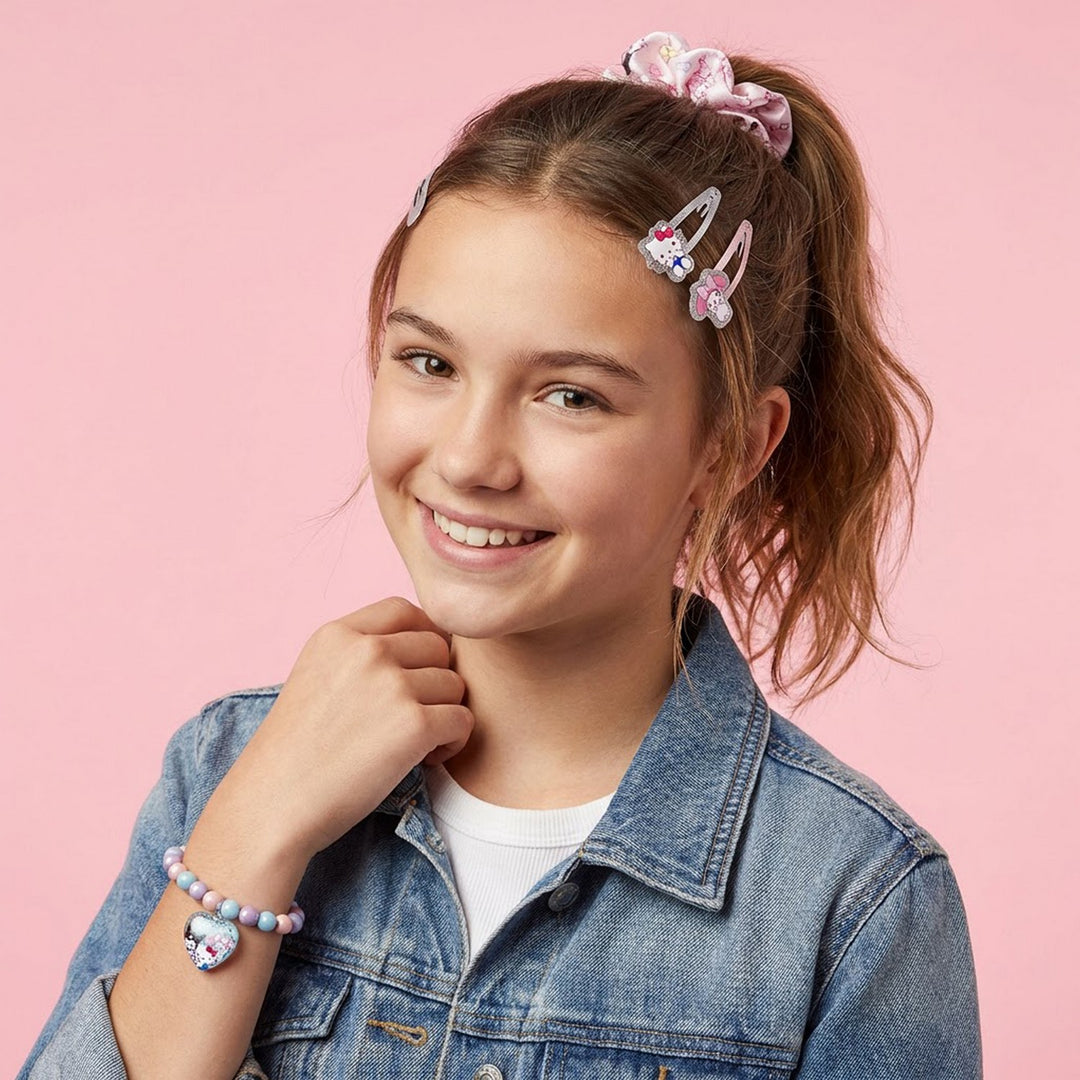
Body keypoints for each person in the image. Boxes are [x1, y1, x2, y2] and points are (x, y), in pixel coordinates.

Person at [19, 29, 982, 1080]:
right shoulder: (224, 770)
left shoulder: (852, 899)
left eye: (571, 395)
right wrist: (254, 832)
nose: (471, 458)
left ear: (734, 446)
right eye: (429, 362)